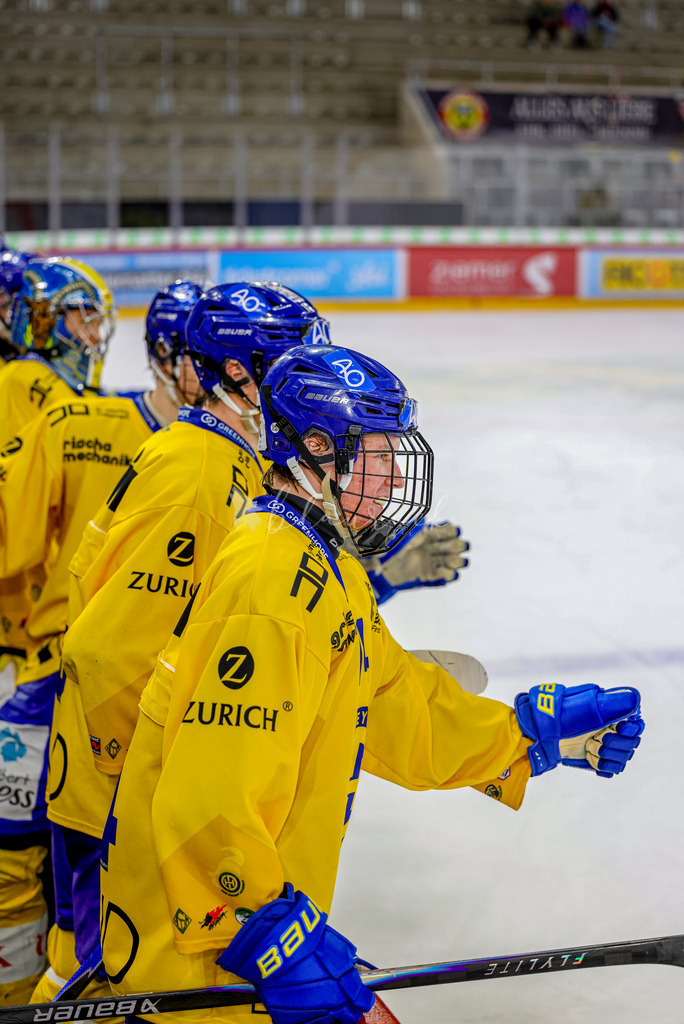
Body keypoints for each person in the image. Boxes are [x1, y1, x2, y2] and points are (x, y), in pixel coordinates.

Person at [100, 343, 644, 1024]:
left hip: (235, 942)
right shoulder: (269, 583)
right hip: (203, 972)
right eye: (380, 458)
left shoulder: (322, 561)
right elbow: (207, 794)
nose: (392, 480)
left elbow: (395, 703)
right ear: (319, 450)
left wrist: (528, 737)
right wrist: (272, 941)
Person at [0, 278, 204, 1006]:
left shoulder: (97, 418)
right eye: (80, 313)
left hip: (84, 683)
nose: (92, 330)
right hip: (71, 685)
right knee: (54, 869)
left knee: (63, 872)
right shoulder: (44, 397)